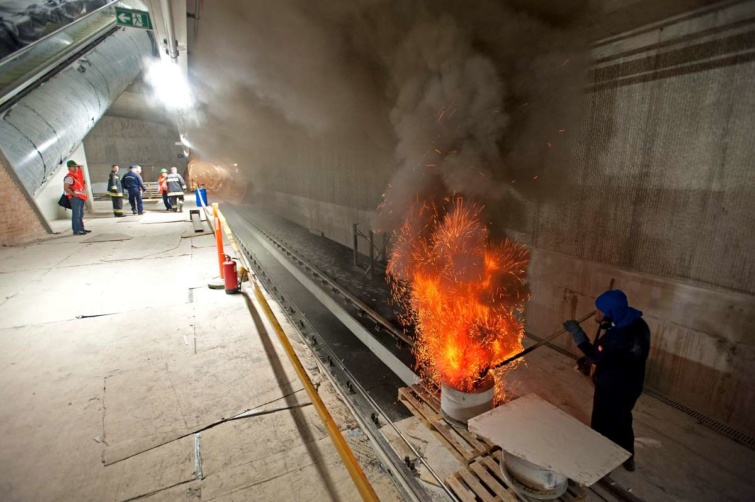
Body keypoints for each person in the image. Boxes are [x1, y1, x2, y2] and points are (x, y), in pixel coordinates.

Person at [564, 290, 650, 472]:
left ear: (609, 313)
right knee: (623, 419)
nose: (596, 313)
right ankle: (628, 457)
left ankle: (598, 459)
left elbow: (595, 356)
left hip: (611, 387)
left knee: (601, 422)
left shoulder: (615, 338)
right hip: (633, 385)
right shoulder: (640, 325)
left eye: (599, 311)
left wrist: (577, 333)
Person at [63, 161, 90, 235]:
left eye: (76, 166)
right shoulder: (69, 177)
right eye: (74, 166)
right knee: (76, 214)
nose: (76, 168)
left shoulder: (76, 177)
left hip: (80, 198)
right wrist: (74, 195)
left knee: (80, 214)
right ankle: (77, 230)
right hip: (75, 198)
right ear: (69, 168)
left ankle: (81, 228)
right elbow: (66, 188)